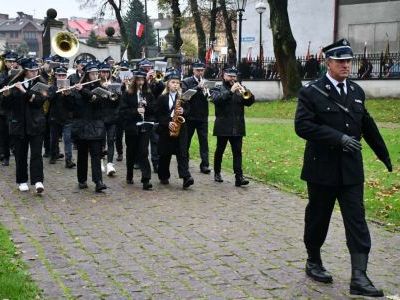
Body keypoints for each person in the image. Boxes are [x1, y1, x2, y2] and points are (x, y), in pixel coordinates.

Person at [294, 39, 392, 297]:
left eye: (348, 61)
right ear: (328, 63)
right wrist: (337, 138)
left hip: (350, 170)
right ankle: (313, 260)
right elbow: (302, 126)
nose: (346, 65)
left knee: (357, 221)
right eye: (340, 61)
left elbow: (367, 125)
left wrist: (384, 155)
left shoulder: (356, 91)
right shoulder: (311, 92)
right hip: (321, 169)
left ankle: (359, 276)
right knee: (318, 217)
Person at [1, 58, 48, 193]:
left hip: (36, 124)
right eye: (31, 71)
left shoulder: (41, 85)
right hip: (18, 124)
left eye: (35, 70)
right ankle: (22, 180)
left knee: (36, 154)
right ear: (25, 72)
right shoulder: (14, 83)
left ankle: (38, 180)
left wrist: (23, 91)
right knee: (20, 155)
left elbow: (38, 102)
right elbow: (6, 107)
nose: (34, 73)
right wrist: (6, 95)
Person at [210, 67, 255, 186]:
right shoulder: (217, 88)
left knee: (237, 152)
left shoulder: (240, 89)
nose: (232, 78)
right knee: (220, 150)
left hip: (238, 125)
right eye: (230, 76)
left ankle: (239, 177)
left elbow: (250, 102)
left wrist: (246, 92)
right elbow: (216, 100)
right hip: (223, 125)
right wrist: (230, 91)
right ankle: (217, 172)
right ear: (224, 76)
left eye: (234, 76)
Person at [71, 61, 107, 192]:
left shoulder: (101, 87)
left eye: (97, 73)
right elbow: (73, 107)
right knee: (82, 155)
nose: (96, 75)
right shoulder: (78, 87)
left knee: (96, 155)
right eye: (93, 73)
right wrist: (68, 95)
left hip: (96, 126)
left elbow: (98, 100)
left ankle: (98, 181)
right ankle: (82, 180)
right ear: (87, 74)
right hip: (81, 126)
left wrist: (83, 91)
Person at [154, 70, 194, 189]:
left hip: (181, 128)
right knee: (165, 154)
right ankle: (163, 175)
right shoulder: (162, 98)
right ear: (168, 84)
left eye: (177, 83)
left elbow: (188, 110)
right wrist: (167, 123)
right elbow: (158, 114)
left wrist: (183, 111)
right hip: (166, 129)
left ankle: (186, 177)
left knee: (182, 153)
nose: (175, 85)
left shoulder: (183, 97)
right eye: (173, 82)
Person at [119, 71, 153, 190]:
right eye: (138, 80)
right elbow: (122, 112)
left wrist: (147, 105)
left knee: (143, 152)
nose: (140, 82)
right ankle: (129, 174)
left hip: (144, 127)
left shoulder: (148, 93)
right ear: (134, 81)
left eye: (142, 80)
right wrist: (135, 111)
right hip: (132, 127)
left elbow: (154, 109)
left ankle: (146, 179)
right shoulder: (128, 94)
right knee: (131, 151)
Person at [182, 61, 211, 174]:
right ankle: (185, 163)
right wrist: (197, 87)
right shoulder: (186, 81)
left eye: (202, 70)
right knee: (186, 141)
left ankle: (205, 165)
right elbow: (185, 97)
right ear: (193, 70)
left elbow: (209, 97)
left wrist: (208, 92)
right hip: (190, 116)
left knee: (204, 142)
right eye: (198, 70)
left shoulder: (206, 82)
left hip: (202, 116)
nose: (200, 72)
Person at [47, 67, 76, 168]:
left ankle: (69, 160)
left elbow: (72, 105)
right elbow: (49, 99)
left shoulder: (70, 88)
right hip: (54, 117)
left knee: (67, 139)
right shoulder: (52, 87)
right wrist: (58, 91)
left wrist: (68, 95)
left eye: (63, 75)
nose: (62, 77)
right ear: (55, 76)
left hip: (67, 118)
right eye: (59, 75)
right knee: (53, 139)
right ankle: (53, 155)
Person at [139, 58, 164, 173]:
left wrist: (158, 80)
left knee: (155, 140)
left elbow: (162, 90)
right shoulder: (138, 79)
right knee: (141, 141)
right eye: (145, 68)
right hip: (141, 113)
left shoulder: (156, 78)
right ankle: (138, 161)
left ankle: (156, 163)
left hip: (154, 113)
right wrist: (147, 81)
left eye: (149, 67)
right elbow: (140, 92)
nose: (148, 70)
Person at [98, 62, 120, 176]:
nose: (105, 74)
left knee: (111, 140)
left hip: (112, 117)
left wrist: (112, 91)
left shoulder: (114, 84)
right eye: (103, 72)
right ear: (100, 73)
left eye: (107, 72)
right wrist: (102, 89)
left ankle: (110, 163)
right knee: (101, 141)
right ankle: (101, 161)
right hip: (100, 117)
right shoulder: (96, 84)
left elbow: (117, 102)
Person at [0, 51, 19, 166]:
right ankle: (5, 156)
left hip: (15, 108)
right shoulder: (2, 74)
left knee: (15, 134)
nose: (12, 63)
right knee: (4, 134)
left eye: (13, 61)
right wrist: (9, 76)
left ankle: (17, 155)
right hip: (3, 109)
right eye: (9, 61)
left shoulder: (20, 74)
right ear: (5, 62)